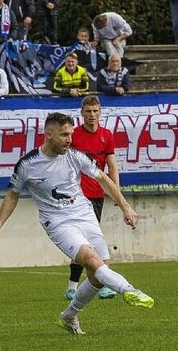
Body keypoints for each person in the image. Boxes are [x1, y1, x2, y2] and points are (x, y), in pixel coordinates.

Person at [0, 112, 154, 335]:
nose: (69, 139)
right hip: (57, 221)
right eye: (64, 135)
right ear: (49, 134)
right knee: (93, 261)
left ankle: (69, 316)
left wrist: (125, 207)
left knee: (98, 275)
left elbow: (103, 178)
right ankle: (130, 290)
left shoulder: (75, 156)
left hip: (85, 214)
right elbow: (12, 195)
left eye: (70, 134)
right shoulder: (27, 164)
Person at [63, 95, 120, 301]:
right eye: (88, 111)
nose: (92, 115)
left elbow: (112, 166)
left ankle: (73, 286)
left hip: (97, 195)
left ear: (100, 112)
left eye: (95, 111)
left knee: (85, 242)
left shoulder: (107, 135)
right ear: (81, 113)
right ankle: (101, 284)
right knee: (89, 240)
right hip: (77, 196)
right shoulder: (74, 135)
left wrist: (116, 193)